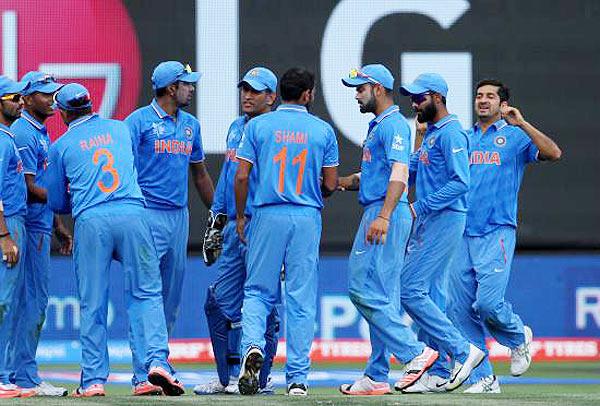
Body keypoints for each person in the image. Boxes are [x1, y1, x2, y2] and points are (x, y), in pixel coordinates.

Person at [46, 83, 183, 397]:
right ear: (92, 105)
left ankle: (93, 381)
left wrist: (79, 192)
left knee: (92, 302)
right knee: (146, 293)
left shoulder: (61, 145)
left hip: (92, 220)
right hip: (133, 213)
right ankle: (153, 367)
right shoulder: (121, 129)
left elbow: (56, 202)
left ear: (64, 113)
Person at [447, 79, 561, 394]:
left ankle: (517, 337)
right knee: (459, 309)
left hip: (496, 229)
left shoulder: (514, 137)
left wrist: (522, 122)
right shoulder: (463, 139)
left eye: (490, 97)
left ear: (503, 104)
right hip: (460, 233)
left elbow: (553, 153)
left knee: (486, 303)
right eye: (479, 95)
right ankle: (484, 379)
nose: (483, 101)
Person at [235, 67, 338, 396]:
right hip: (306, 216)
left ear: (279, 92)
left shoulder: (259, 126)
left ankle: (253, 346)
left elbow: (240, 177)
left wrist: (240, 217)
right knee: (300, 298)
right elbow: (331, 184)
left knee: (257, 292)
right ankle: (297, 378)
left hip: (266, 213)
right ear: (308, 94)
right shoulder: (322, 130)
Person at [336, 64, 438, 396]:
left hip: (384, 214)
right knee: (380, 296)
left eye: (360, 88)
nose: (356, 94)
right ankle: (377, 374)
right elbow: (376, 175)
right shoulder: (380, 125)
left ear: (378, 88)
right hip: (381, 208)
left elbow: (399, 170)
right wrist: (343, 183)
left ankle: (414, 352)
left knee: (361, 289)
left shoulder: (393, 124)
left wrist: (384, 215)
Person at [124, 61, 214, 394]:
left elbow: (200, 174)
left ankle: (153, 367)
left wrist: (219, 213)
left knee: (169, 298)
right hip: (145, 214)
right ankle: (147, 369)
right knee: (143, 292)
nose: (192, 88)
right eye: (187, 84)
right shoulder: (137, 122)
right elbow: (123, 170)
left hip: (179, 218)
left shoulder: (190, 125)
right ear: (172, 89)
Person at [194, 67, 280, 395]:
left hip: (260, 224)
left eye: (256, 91)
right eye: (244, 89)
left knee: (263, 304)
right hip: (233, 226)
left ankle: (261, 376)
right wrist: (216, 219)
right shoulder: (235, 127)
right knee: (217, 303)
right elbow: (230, 173)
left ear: (271, 97)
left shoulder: (271, 130)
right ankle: (228, 375)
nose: (247, 95)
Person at [397, 73, 484, 392]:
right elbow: (412, 168)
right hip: (432, 219)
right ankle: (436, 369)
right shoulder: (433, 133)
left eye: (419, 97)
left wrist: (419, 206)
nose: (414, 103)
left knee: (409, 289)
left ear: (437, 96)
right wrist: (367, 178)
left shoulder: (451, 134)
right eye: (412, 97)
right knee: (430, 293)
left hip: (445, 218)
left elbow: (462, 182)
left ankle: (462, 350)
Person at [10, 72, 72, 397]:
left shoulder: (41, 131)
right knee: (30, 302)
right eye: (45, 94)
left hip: (40, 225)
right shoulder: (23, 132)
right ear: (28, 97)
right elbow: (29, 188)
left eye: (53, 93)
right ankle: (24, 375)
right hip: (28, 226)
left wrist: (59, 226)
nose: (51, 98)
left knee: (33, 301)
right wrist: (72, 197)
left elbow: (42, 186)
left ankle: (22, 372)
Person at [0, 76, 30, 399]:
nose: (20, 103)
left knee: (9, 302)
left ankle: (5, 374)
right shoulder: (1, 140)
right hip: (7, 224)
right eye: (13, 98)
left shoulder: (7, 138)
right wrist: (5, 235)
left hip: (13, 221)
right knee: (3, 302)